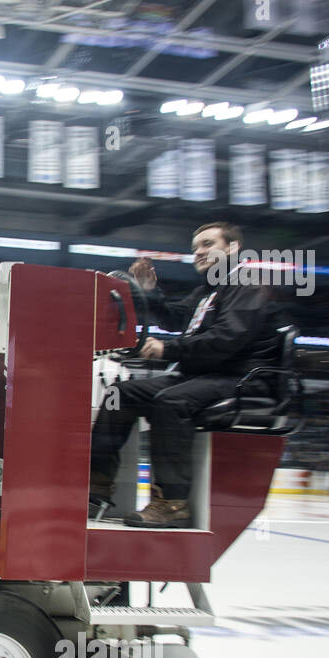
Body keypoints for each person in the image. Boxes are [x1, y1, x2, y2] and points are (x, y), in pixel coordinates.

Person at [89, 222, 285, 527]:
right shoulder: (209, 290)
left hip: (240, 377)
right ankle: (95, 485)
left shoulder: (248, 284)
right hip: (203, 375)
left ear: (233, 248)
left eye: (208, 244)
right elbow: (175, 318)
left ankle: (172, 503)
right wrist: (149, 293)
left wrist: (167, 350)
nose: (199, 252)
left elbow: (226, 339)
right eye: (195, 247)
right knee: (120, 394)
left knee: (171, 401)